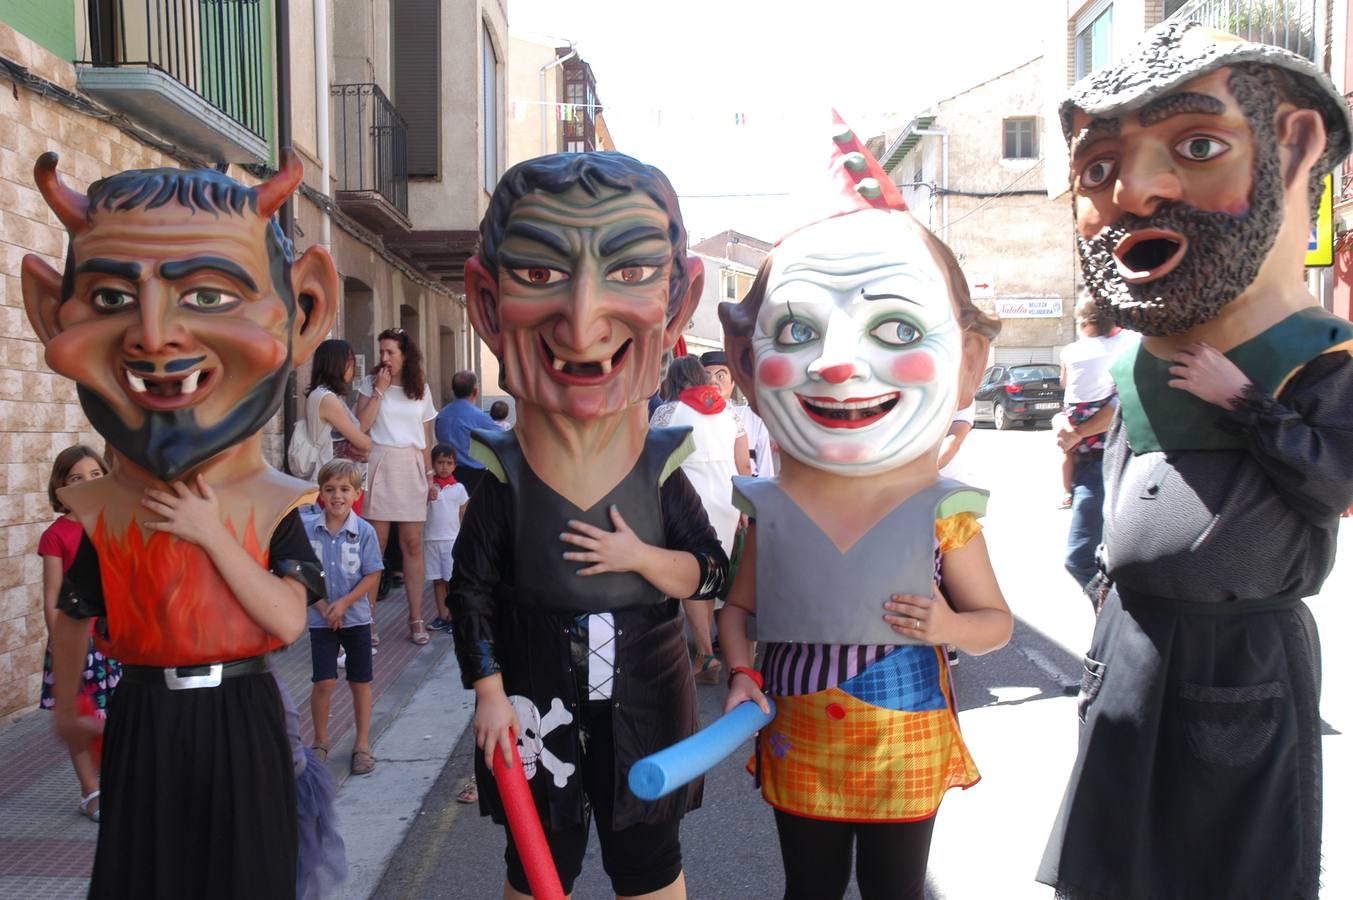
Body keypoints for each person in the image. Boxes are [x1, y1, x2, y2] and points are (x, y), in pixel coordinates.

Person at [1038, 23, 1353, 900]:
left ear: (1293, 147)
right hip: (1131, 640)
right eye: (1098, 169)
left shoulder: (1318, 357)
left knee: (1224, 861)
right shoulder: (1138, 364)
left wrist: (1244, 402)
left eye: (1197, 146)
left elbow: (1332, 482)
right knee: (1116, 858)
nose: (1134, 192)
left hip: (1235, 653)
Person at [24, 150, 334, 897]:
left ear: (302, 314)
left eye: (207, 295)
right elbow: (75, 612)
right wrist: (70, 711)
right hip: (144, 715)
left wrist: (210, 533)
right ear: (49, 314)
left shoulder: (275, 502)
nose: (155, 337)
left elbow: (287, 619)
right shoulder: (104, 510)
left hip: (241, 712)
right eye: (110, 299)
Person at [718, 116, 1012, 900]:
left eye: (895, 326)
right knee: (807, 891)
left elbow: (993, 623)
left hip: (903, 742)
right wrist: (739, 670)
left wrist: (948, 626)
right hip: (798, 734)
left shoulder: (945, 513)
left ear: (968, 360)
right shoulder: (769, 509)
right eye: (798, 329)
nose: (839, 362)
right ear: (745, 360)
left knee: (895, 891)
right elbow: (736, 610)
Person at [450, 151, 729, 900]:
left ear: (678, 303)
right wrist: (488, 691)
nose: (581, 325)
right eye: (538, 272)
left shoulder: (660, 469)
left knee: (650, 861)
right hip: (536, 700)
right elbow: (470, 593)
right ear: (487, 304)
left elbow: (711, 572)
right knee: (538, 864)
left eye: (630, 271)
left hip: (646, 700)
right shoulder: (504, 477)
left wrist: (640, 557)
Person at [650, 355, 750, 683]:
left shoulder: (668, 412)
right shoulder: (730, 412)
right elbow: (743, 465)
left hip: (687, 498)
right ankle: (704, 650)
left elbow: (653, 459)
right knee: (714, 569)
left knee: (693, 573)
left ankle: (705, 655)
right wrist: (744, 508)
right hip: (727, 498)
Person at [38, 444, 118, 823]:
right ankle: (91, 791)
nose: (87, 482)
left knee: (118, 718)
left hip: (115, 641)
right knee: (81, 719)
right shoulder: (57, 536)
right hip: (78, 645)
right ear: (61, 488)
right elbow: (52, 597)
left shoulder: (115, 523)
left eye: (95, 475)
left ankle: (121, 782)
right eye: (76, 478)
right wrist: (63, 646)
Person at [356, 328, 439, 645]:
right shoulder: (371, 383)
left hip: (412, 465)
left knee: (413, 545)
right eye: (382, 352)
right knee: (375, 545)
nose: (385, 358)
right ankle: (367, 619)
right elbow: (361, 426)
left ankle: (416, 618)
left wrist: (430, 476)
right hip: (380, 462)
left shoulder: (421, 388)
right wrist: (379, 390)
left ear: (406, 355)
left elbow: (426, 437)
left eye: (390, 352)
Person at [305, 460, 383, 776]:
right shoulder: (308, 530)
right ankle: (320, 741)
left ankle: (362, 744)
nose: (337, 496)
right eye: (330, 489)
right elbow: (302, 573)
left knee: (359, 681)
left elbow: (372, 573)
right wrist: (324, 607)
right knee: (323, 680)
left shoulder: (364, 531)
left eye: (344, 489)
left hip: (356, 619)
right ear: (320, 493)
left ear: (357, 493)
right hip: (321, 619)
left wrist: (345, 603)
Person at [1052, 299, 1134, 591]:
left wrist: (1077, 432)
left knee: (1081, 558)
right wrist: (1061, 422)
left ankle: (1113, 610)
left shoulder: (1123, 346)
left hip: (1104, 463)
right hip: (1099, 462)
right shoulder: (1131, 343)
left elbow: (1119, 407)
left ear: (1085, 323)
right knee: (1101, 557)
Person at [700, 350, 775, 478]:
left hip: (748, 484)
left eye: (720, 376)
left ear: (733, 382)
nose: (713, 382)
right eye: (707, 377)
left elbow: (765, 464)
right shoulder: (695, 418)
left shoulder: (752, 416)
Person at [306, 338, 373, 469]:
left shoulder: (320, 394)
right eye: (350, 360)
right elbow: (363, 443)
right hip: (330, 474)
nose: (354, 366)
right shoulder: (327, 398)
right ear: (338, 363)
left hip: (332, 472)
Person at [424, 444, 469, 632]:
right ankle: (442, 616)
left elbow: (464, 513)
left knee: (452, 581)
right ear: (433, 464)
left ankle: (455, 617)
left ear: (455, 465)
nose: (444, 467)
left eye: (449, 463)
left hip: (451, 541)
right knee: (437, 580)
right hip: (430, 540)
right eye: (440, 462)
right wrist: (427, 495)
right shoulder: (427, 488)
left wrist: (465, 539)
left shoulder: (459, 489)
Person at [433, 370, 499, 495]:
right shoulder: (480, 417)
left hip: (446, 474)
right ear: (476, 391)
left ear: (453, 390)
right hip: (474, 476)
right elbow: (502, 438)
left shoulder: (441, 415)